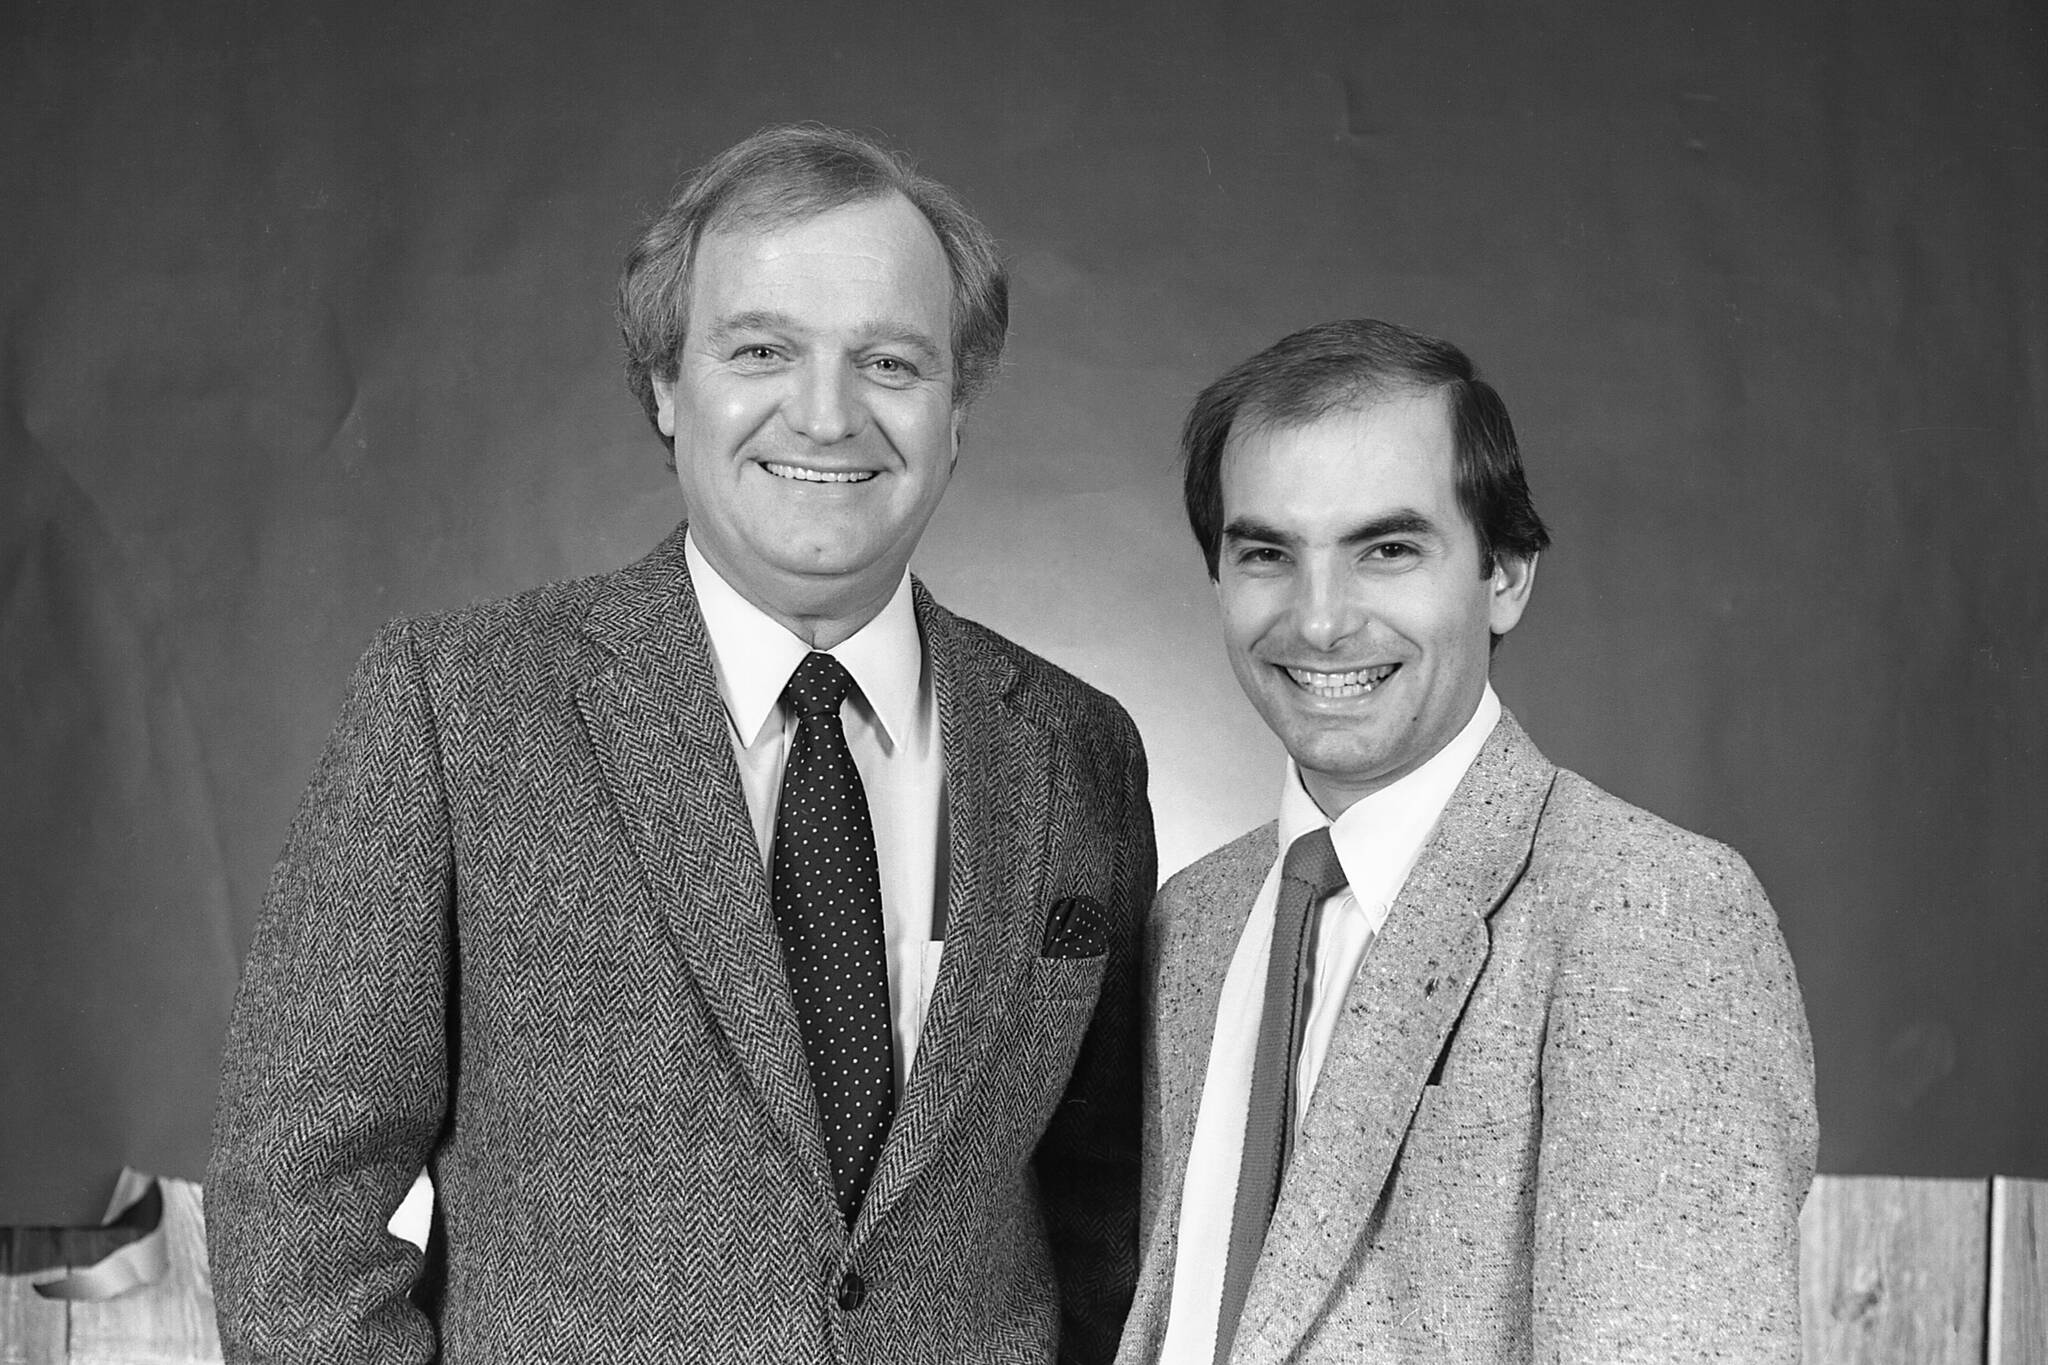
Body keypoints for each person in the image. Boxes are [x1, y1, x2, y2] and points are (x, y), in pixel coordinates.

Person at [207, 124, 1153, 1363]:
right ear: (664, 385)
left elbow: (1111, 1214)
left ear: (956, 405)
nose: (827, 414)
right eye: (761, 350)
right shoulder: (459, 708)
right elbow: (292, 1207)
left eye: (889, 361)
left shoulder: (1077, 749)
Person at [1116, 319, 1815, 1364]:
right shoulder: (1196, 919)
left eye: (1387, 550)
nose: (1318, 621)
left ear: (1505, 576)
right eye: (1266, 554)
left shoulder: (1652, 914)